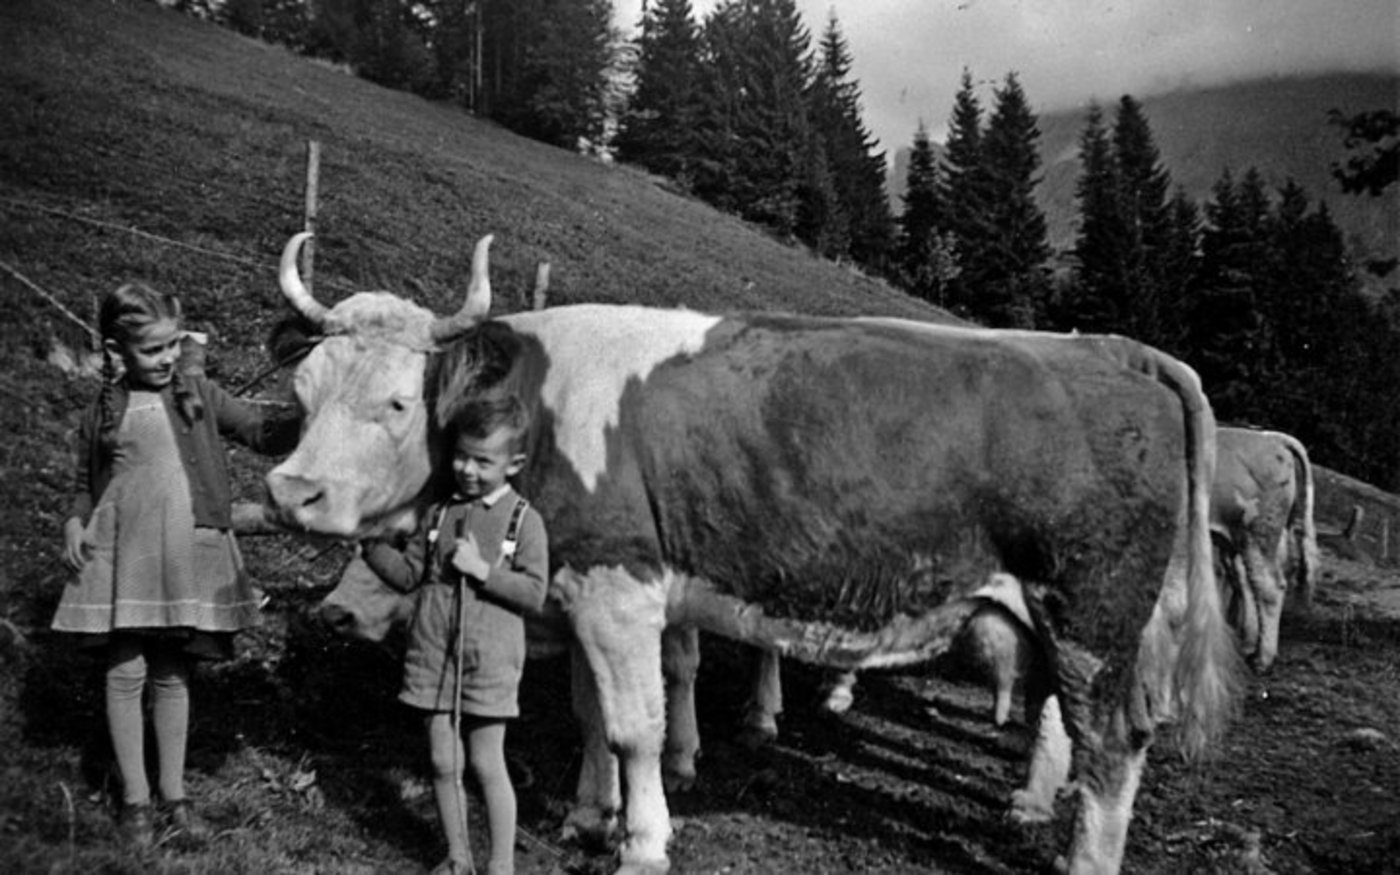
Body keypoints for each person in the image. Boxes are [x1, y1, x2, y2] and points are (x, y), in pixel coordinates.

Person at [56, 282, 300, 847]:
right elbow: (83, 487)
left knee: (172, 672)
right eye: (153, 350)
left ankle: (174, 793)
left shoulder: (199, 392)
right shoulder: (103, 411)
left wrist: (314, 406)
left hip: (185, 551)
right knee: (125, 671)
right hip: (127, 557)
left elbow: (262, 434)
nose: (168, 358)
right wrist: (73, 522)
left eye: (172, 345)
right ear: (118, 352)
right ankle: (136, 802)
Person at [362, 394, 548, 875]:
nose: (467, 469)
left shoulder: (523, 521)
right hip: (433, 655)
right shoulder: (439, 513)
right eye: (462, 456)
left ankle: (501, 864)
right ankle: (458, 857)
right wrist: (369, 547)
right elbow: (409, 576)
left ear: (514, 464)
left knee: (487, 764)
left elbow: (533, 593)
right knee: (443, 762)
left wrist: (482, 571)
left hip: (488, 661)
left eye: (483, 461)